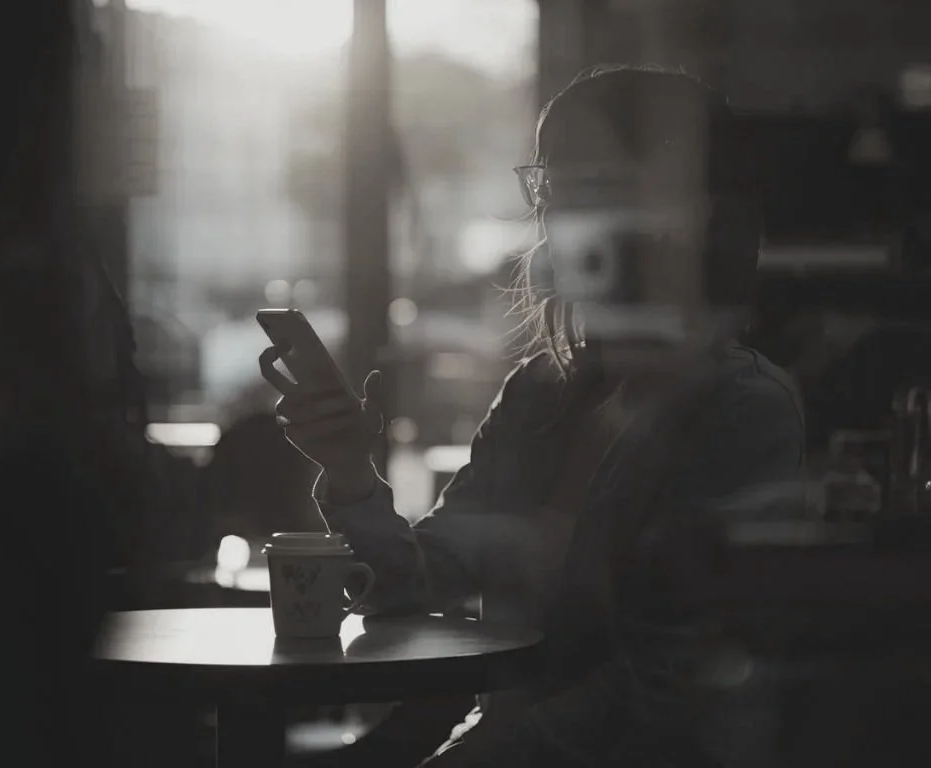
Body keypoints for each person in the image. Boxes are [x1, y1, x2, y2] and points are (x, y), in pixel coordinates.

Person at [261, 65, 807, 767]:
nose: (553, 214)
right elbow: (419, 586)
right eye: (549, 185)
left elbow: (662, 687)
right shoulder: (541, 393)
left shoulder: (743, 412)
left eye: (592, 185)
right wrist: (347, 468)